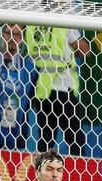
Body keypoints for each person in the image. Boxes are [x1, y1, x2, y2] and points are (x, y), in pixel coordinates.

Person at [25, 25, 91, 155]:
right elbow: (85, 50)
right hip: (62, 89)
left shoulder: (33, 25)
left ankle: (41, 172)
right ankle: (79, 173)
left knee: (45, 140)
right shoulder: (64, 23)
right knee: (75, 140)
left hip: (42, 88)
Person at [0, 23, 37, 150]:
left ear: (22, 39)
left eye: (17, 35)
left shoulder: (29, 69)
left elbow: (26, 105)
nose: (12, 38)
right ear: (2, 35)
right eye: (8, 33)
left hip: (9, 137)